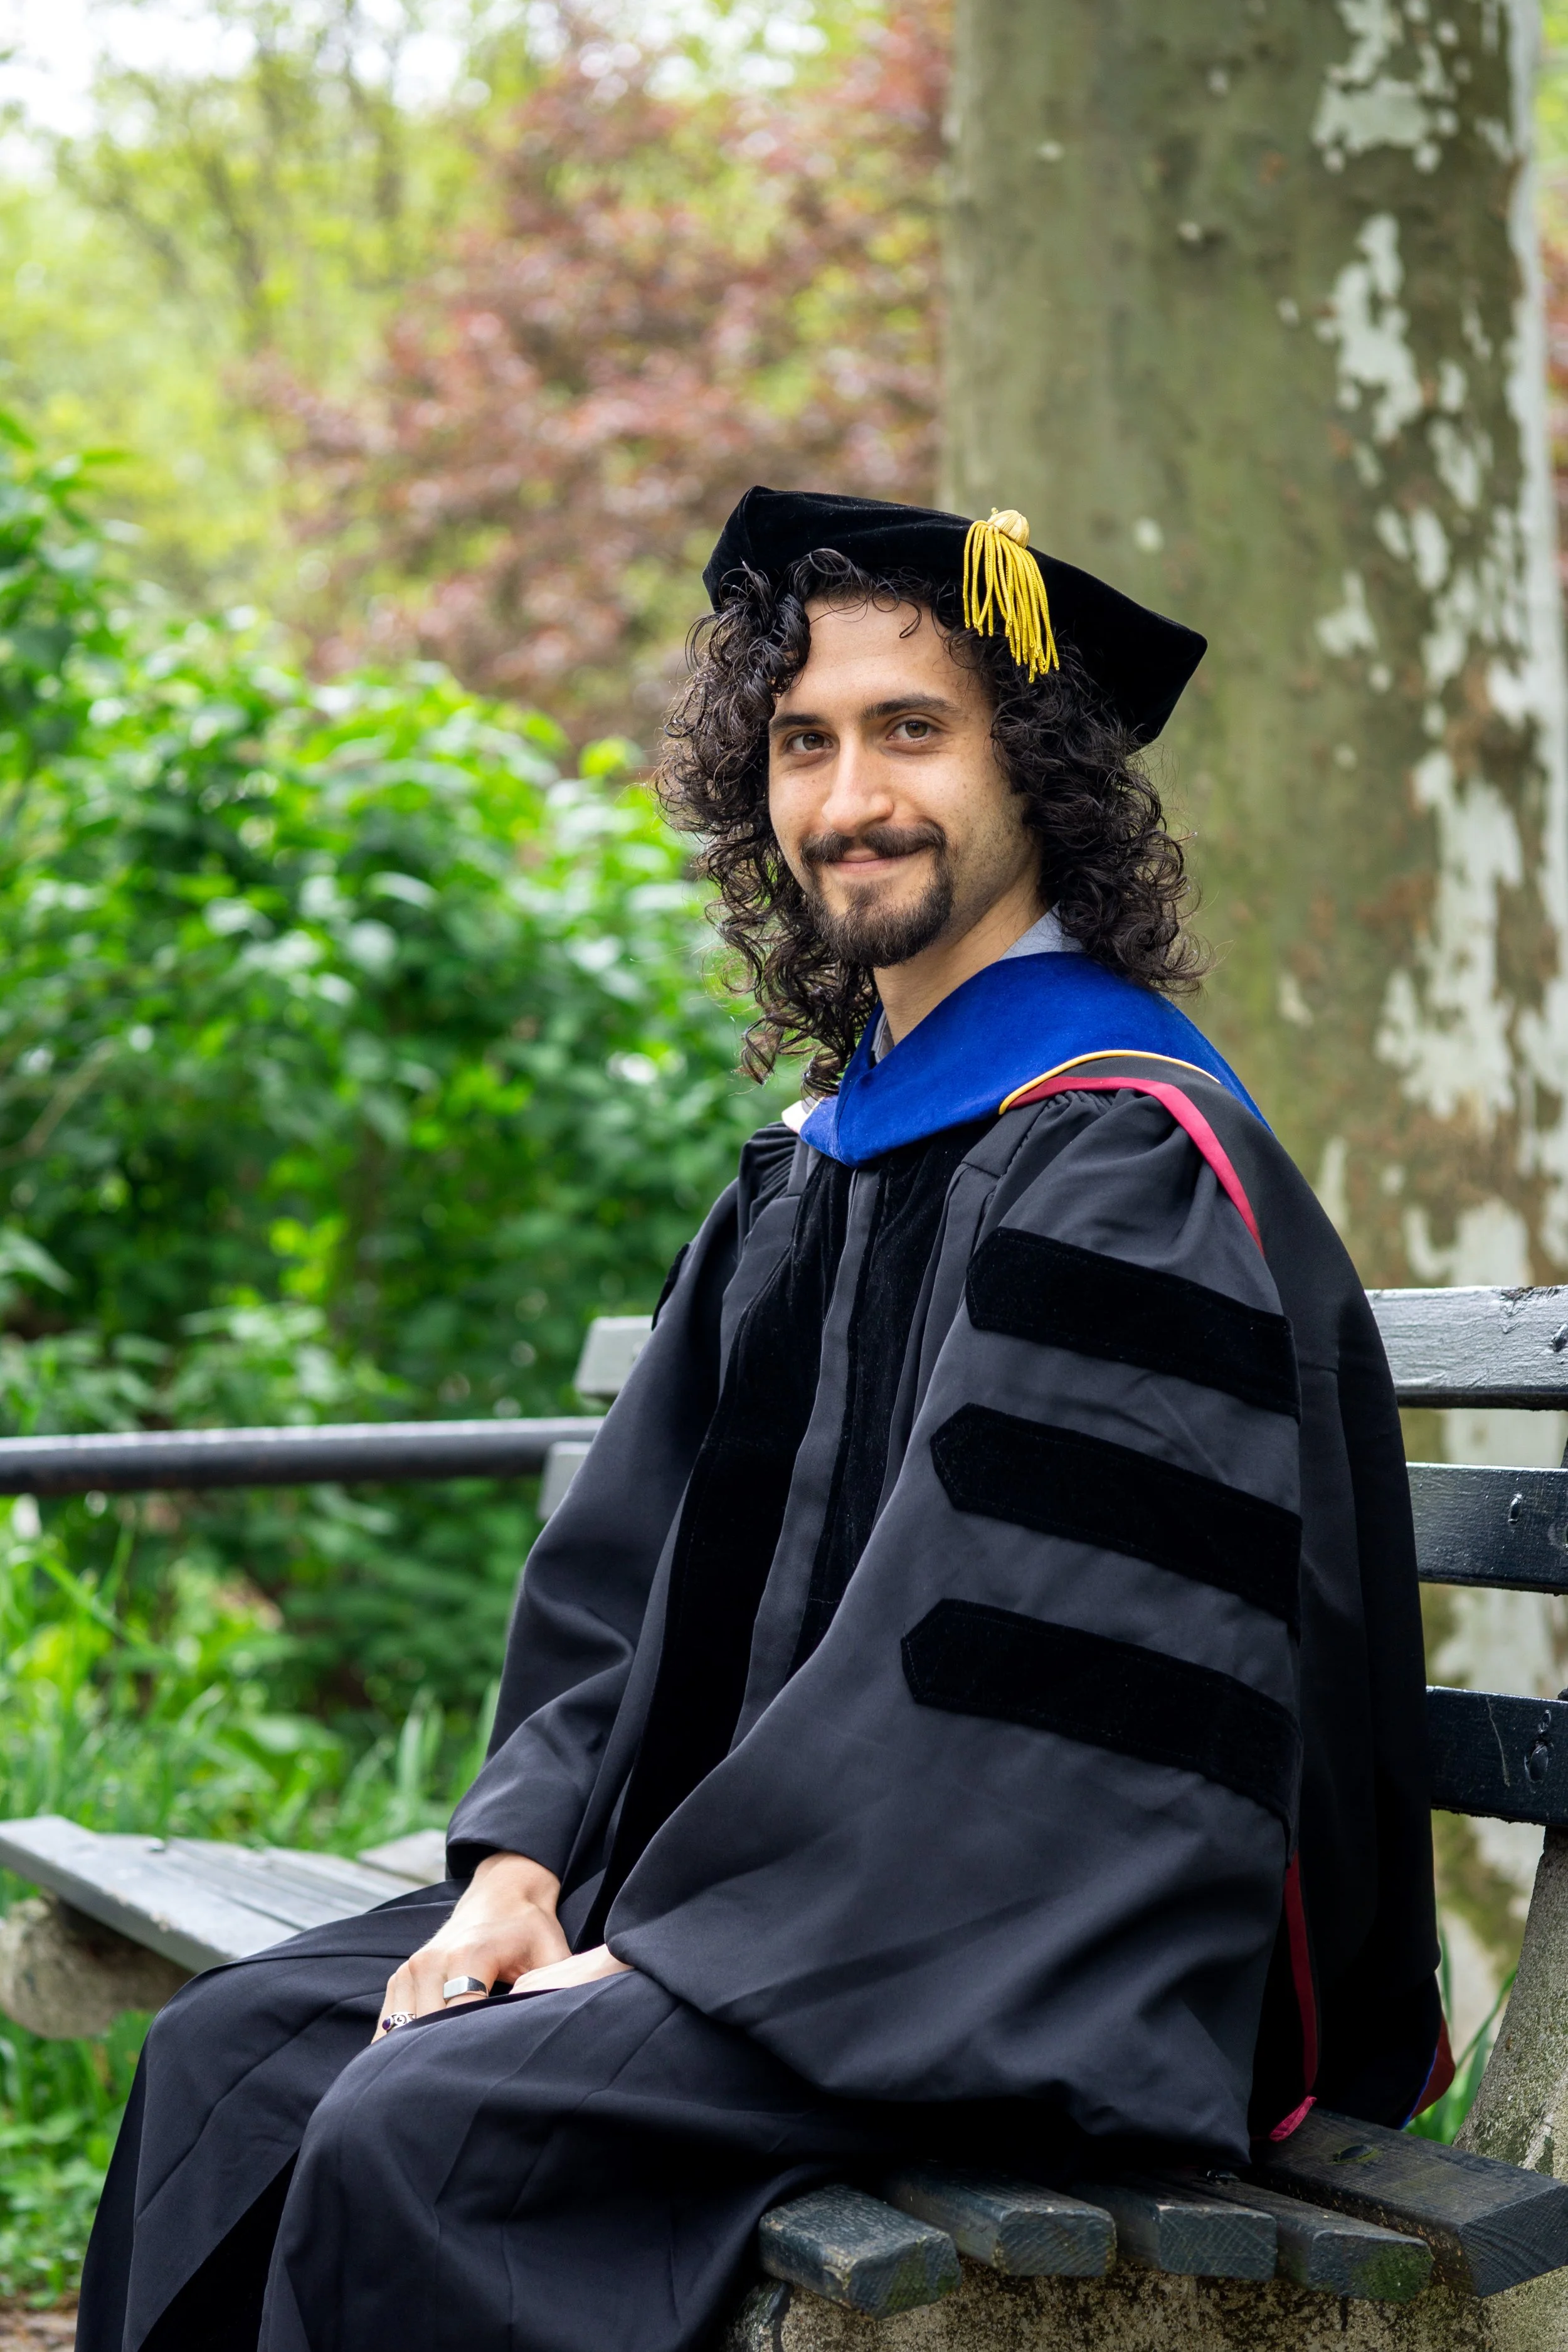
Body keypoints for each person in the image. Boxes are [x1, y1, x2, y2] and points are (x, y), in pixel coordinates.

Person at [80, 490, 1448, 2352]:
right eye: (803, 742)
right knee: (234, 2063)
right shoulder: (824, 1160)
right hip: (766, 1908)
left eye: (911, 730)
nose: (846, 798)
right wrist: (521, 1871)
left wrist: (664, 1948)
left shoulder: (1121, 1156)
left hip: (1000, 1947)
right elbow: (627, 1577)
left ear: (1033, 769)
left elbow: (1015, 1700)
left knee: (430, 2128)